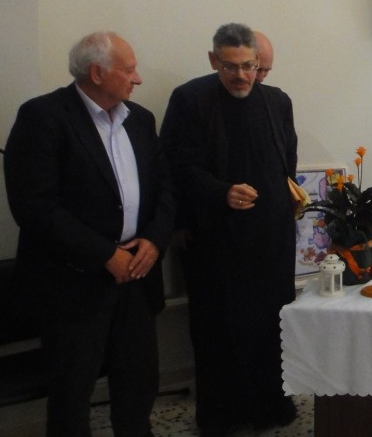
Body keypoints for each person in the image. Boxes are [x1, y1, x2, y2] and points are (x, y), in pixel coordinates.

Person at [4, 31, 174, 436]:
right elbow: (35, 206)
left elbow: (166, 189)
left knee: (137, 385)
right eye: (129, 70)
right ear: (97, 73)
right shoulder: (43, 117)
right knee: (71, 394)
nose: (138, 79)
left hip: (137, 277)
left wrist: (154, 239)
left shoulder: (140, 119)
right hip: (74, 285)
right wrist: (104, 255)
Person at [160, 23, 298, 435]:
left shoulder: (277, 101)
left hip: (270, 240)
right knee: (218, 329)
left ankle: (270, 406)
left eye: (249, 66)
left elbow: (286, 160)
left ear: (258, 63)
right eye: (230, 66)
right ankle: (223, 417)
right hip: (216, 240)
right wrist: (221, 192)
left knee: (270, 325)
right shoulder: (190, 99)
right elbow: (174, 166)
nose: (241, 76)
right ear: (213, 61)